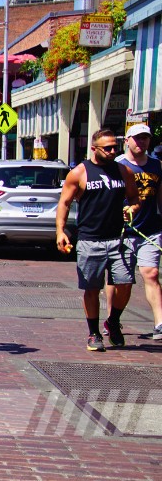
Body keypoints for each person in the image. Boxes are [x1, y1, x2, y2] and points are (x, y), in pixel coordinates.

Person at [56, 128, 141, 351]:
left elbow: (135, 198)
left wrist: (131, 208)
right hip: (90, 240)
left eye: (116, 147)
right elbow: (64, 203)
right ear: (94, 149)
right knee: (92, 288)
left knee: (125, 283)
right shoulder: (79, 173)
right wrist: (60, 232)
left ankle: (113, 321)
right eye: (108, 148)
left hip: (118, 239)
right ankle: (94, 333)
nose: (114, 151)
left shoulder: (124, 171)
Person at [106, 124, 162, 342]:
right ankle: (112, 320)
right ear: (127, 140)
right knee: (121, 280)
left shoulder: (157, 166)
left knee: (151, 273)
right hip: (122, 232)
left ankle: (159, 323)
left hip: (150, 229)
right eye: (137, 138)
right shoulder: (116, 165)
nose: (142, 142)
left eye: (145, 138)